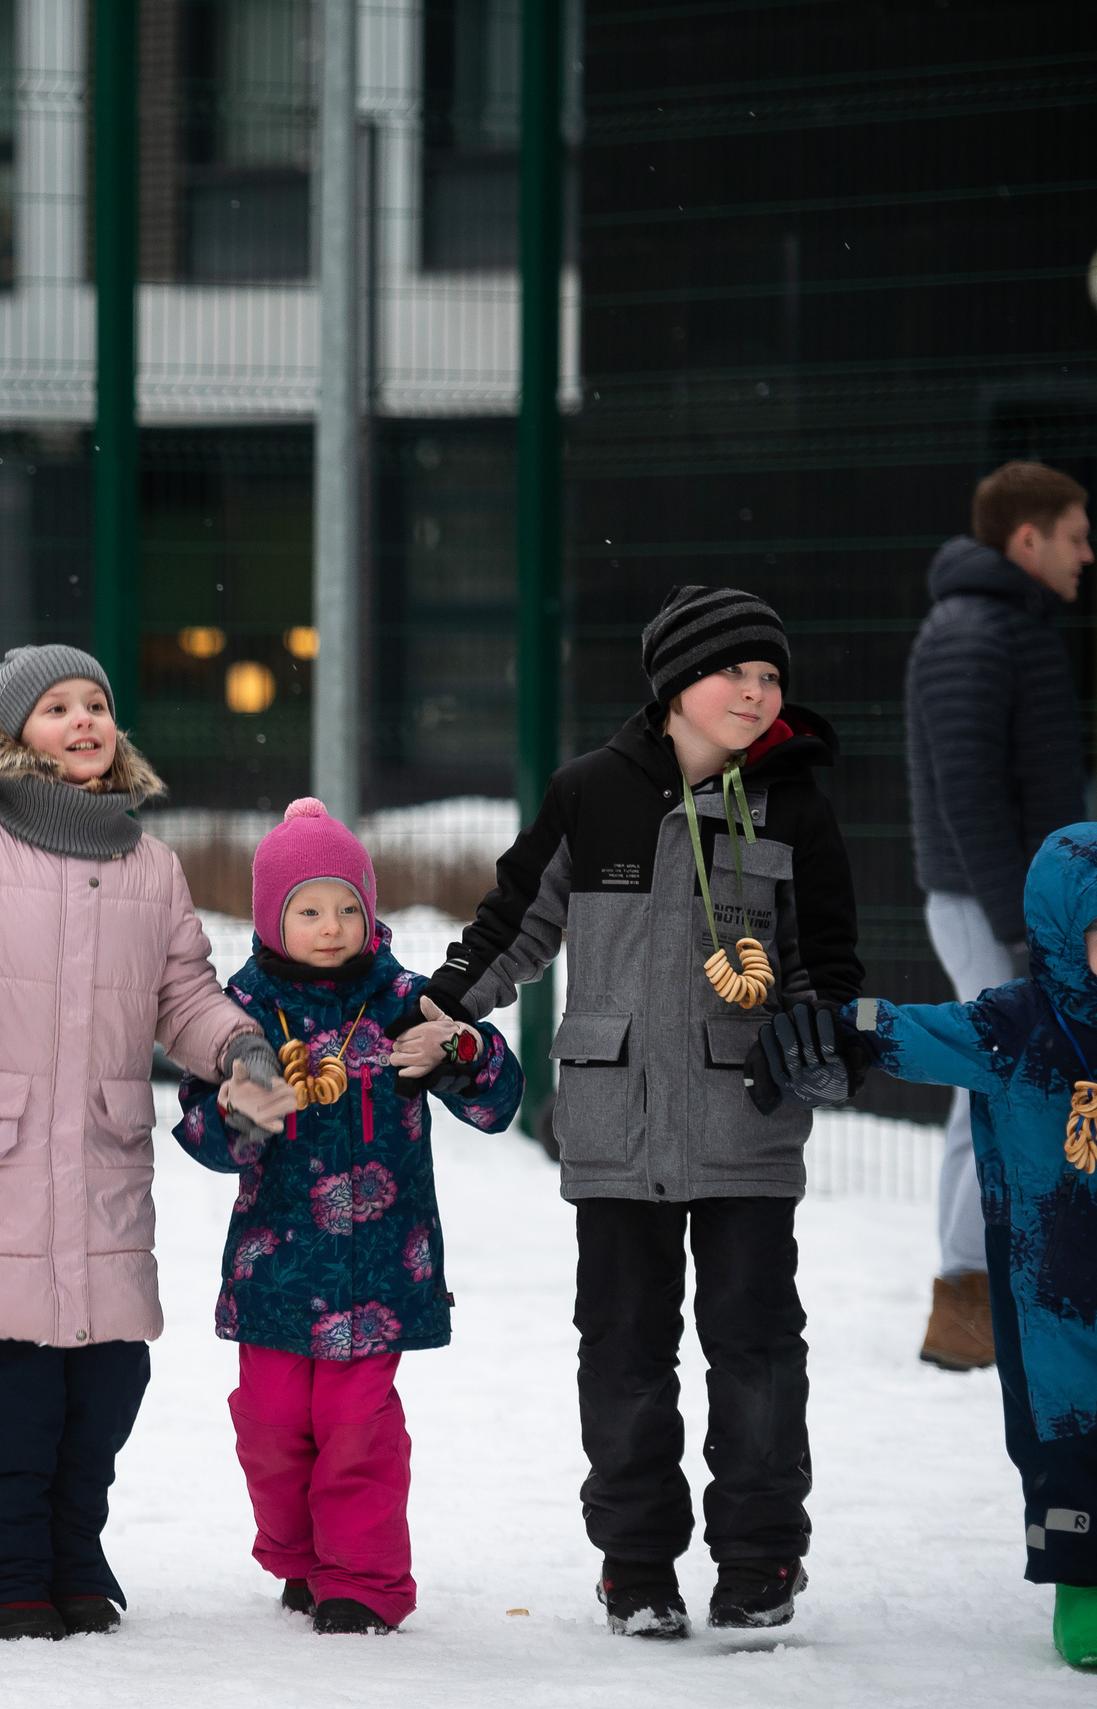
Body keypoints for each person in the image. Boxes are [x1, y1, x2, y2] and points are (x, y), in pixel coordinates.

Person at [417, 585, 862, 1639]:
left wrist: (816, 1027)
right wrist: (438, 1011)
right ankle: (635, 1562)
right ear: (673, 685)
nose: (756, 694)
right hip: (615, 1130)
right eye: (734, 674)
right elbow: (513, 923)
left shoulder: (792, 800)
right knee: (621, 1345)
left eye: (770, 678)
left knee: (754, 1345)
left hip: (742, 1123)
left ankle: (758, 1555)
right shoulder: (591, 793)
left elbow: (827, 958)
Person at [0, 646, 278, 1639]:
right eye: (56, 709)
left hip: (102, 1155)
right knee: (20, 1380)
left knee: (109, 1371)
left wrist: (239, 1044)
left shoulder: (148, 864)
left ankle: (71, 1552)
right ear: (7, 736)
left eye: (97, 704)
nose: (83, 721)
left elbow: (183, 997)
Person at [172, 798, 522, 1637]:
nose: (330, 927)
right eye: (308, 909)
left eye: (346, 908)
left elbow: (497, 1099)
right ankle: (301, 1555)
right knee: (269, 1426)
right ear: (270, 917)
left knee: (358, 1430)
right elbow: (198, 1129)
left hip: (378, 1272)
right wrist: (240, 1110)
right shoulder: (243, 1014)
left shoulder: (404, 1001)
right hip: (277, 1273)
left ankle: (361, 1579)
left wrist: (462, 1051)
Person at [847, 825, 1097, 1670]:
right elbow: (921, 1031)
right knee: (1068, 1442)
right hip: (1052, 1292)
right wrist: (839, 1025)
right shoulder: (1020, 1023)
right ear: (1067, 935)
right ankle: (1084, 1585)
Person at [904, 461, 1091, 1373]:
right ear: (1028, 538)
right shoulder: (969, 633)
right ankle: (973, 1295)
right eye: (1074, 533)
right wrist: (1024, 923)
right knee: (1013, 1072)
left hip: (1006, 901)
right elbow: (970, 795)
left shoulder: (1004, 627)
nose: (1087, 553)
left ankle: (975, 1293)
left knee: (998, 1073)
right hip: (990, 905)